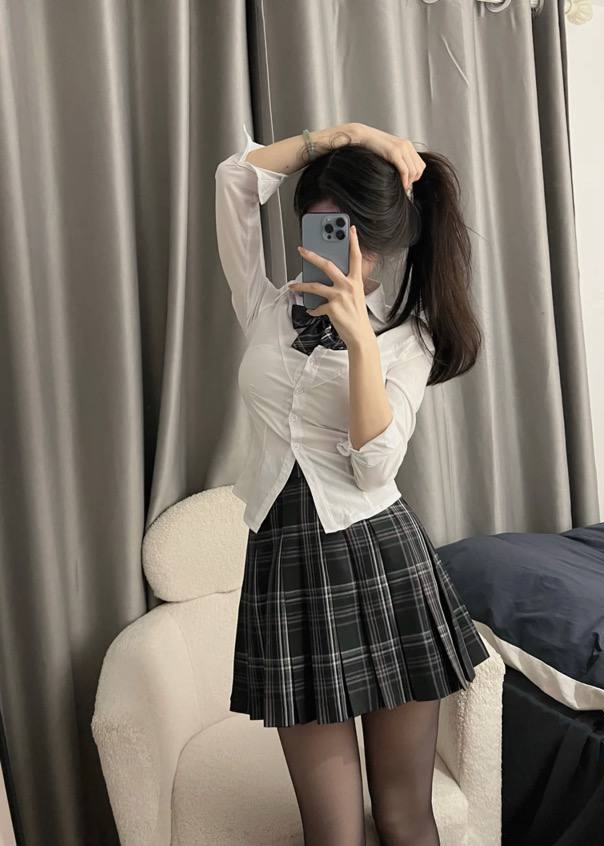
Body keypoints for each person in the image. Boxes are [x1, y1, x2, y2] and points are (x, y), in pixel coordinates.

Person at [214, 121, 490, 846]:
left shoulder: (409, 340)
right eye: (321, 227)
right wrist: (344, 135)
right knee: (331, 831)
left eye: (350, 235)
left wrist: (362, 342)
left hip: (384, 564)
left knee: (404, 816)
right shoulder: (265, 309)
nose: (334, 248)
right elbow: (235, 181)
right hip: (285, 569)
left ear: (385, 245)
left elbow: (374, 467)